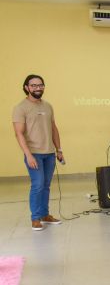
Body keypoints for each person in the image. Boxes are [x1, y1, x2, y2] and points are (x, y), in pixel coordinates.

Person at [12, 74, 64, 231]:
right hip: (33, 153)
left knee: (46, 185)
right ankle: (35, 218)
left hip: (49, 153)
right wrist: (28, 155)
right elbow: (18, 133)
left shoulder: (48, 106)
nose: (37, 88)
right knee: (38, 184)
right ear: (27, 87)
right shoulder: (20, 108)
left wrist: (59, 149)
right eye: (33, 85)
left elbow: (53, 128)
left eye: (40, 85)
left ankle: (45, 215)